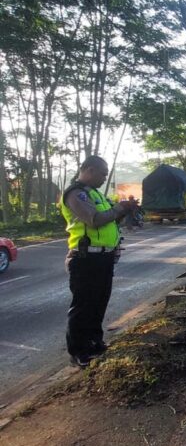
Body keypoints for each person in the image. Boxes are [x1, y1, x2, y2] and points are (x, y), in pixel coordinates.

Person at [60, 155, 137, 368]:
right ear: (90, 170)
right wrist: (119, 208)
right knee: (83, 305)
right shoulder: (76, 194)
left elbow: (109, 220)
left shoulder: (95, 194)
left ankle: (95, 342)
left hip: (103, 257)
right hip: (85, 258)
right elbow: (94, 220)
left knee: (99, 301)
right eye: (103, 174)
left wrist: (125, 209)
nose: (105, 178)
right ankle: (79, 351)